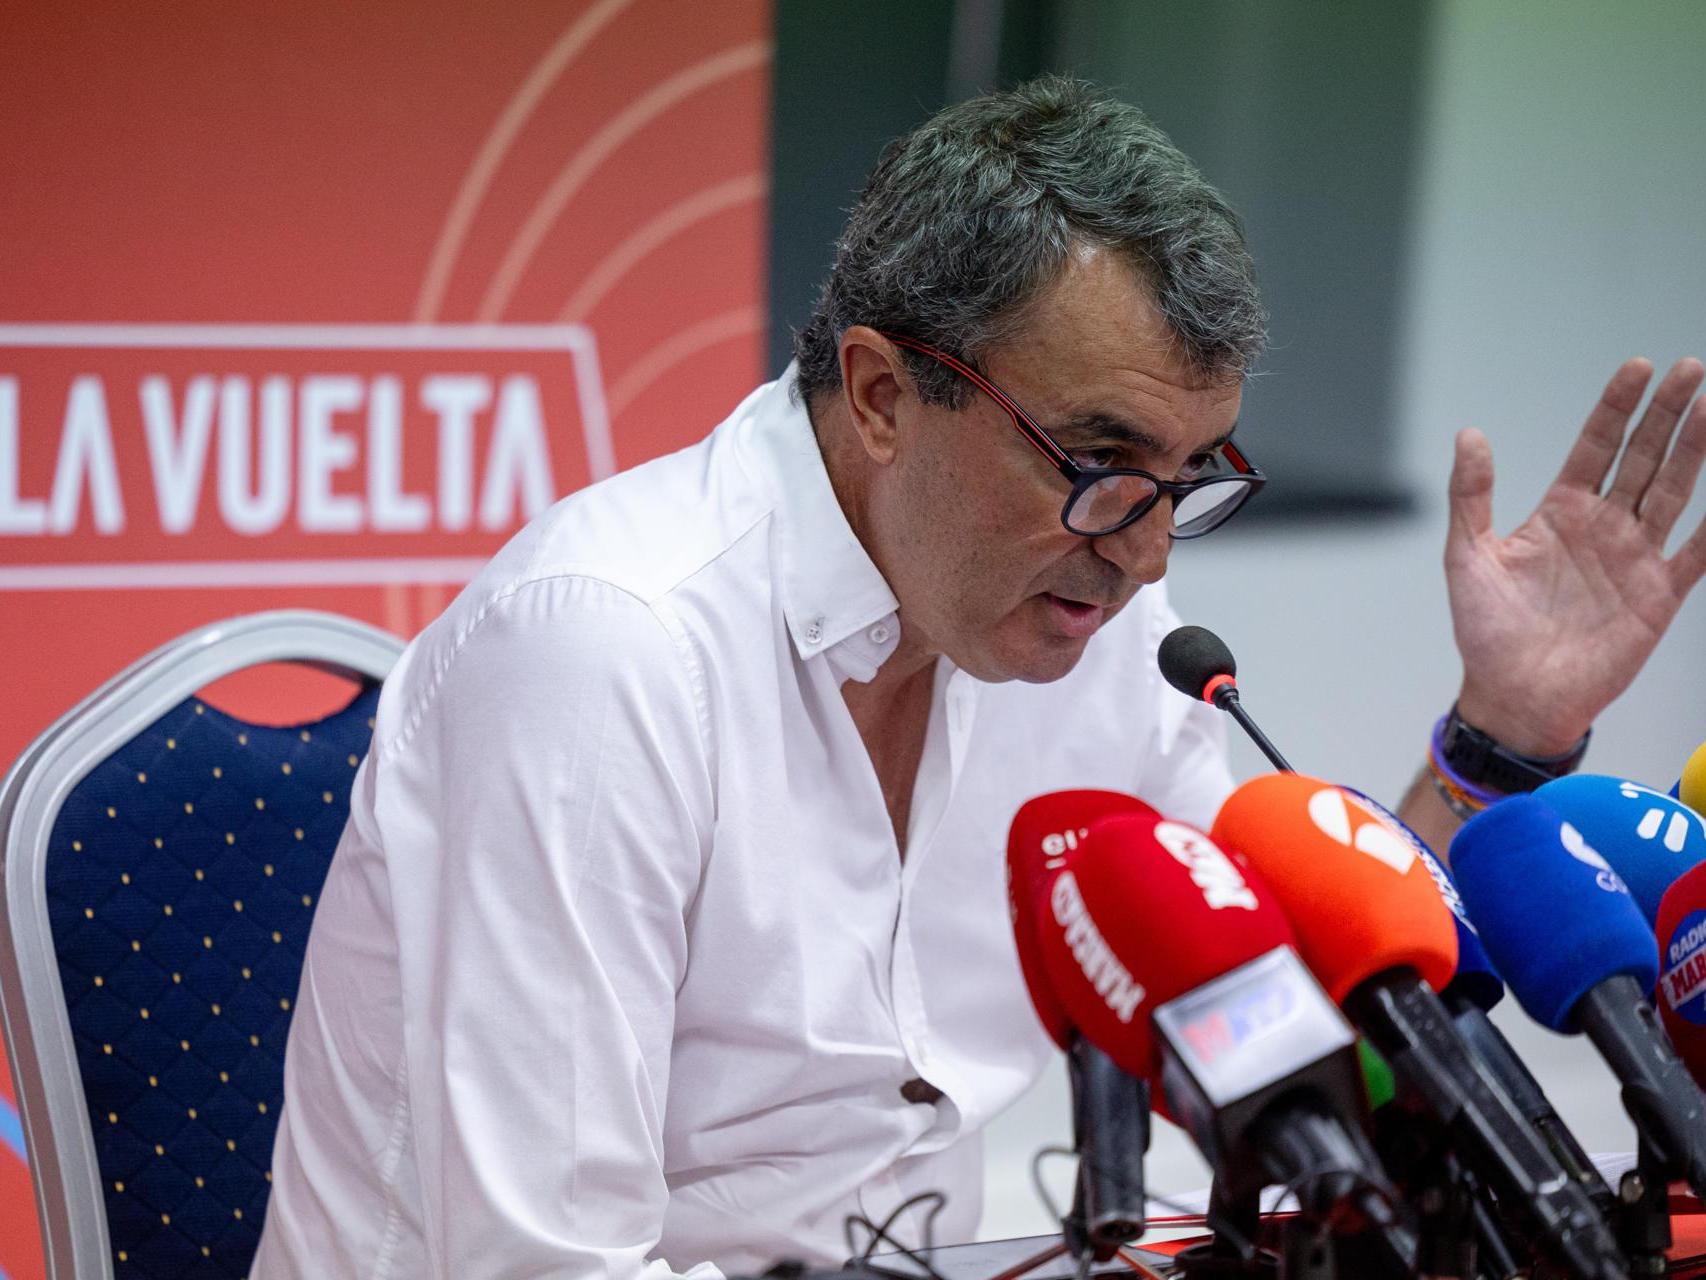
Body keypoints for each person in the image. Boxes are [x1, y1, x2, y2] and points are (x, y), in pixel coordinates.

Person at [252, 76, 1706, 1278]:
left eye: (1188, 478)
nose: (1144, 556)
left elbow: (1281, 996)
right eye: (1099, 462)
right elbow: (540, 1261)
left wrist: (1501, 738)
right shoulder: (604, 653)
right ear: (884, 394)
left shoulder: (1093, 617)